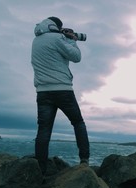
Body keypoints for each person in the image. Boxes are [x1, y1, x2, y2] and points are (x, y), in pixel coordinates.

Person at [31, 16, 90, 174]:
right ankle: (84, 160)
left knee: (44, 129)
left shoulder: (35, 41)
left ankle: (41, 169)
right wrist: (72, 40)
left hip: (42, 92)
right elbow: (76, 57)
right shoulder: (58, 39)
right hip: (62, 90)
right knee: (78, 122)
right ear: (56, 26)